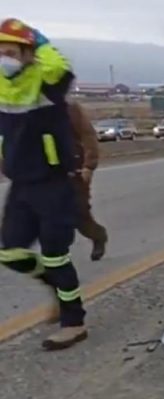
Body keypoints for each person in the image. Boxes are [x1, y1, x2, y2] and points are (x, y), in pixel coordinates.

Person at [0, 18, 88, 350]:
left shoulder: (48, 82)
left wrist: (40, 41)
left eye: (10, 52)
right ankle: (55, 287)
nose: (4, 59)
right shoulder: (2, 85)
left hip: (53, 181)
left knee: (55, 254)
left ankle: (73, 321)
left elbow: (59, 68)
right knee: (9, 252)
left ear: (28, 53)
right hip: (20, 182)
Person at [67, 99, 108, 261]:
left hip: (73, 170)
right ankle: (58, 256)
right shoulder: (23, 108)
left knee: (79, 214)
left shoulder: (69, 107)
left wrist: (89, 166)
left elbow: (88, 135)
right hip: (41, 173)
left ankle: (98, 236)